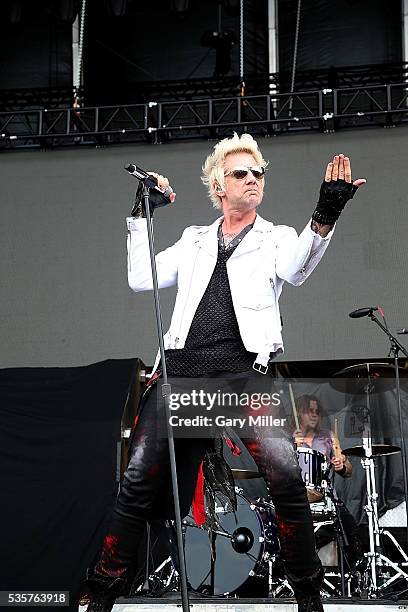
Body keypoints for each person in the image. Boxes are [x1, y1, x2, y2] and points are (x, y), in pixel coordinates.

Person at [82, 133, 366, 612]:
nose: (252, 180)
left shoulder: (275, 237)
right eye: (241, 173)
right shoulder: (194, 239)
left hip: (242, 374)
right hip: (183, 374)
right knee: (135, 483)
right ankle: (101, 590)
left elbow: (298, 270)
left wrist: (326, 213)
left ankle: (308, 594)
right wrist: (141, 214)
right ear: (219, 186)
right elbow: (139, 278)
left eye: (258, 174)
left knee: (286, 478)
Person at [294, 395, 363, 571]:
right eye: (310, 411)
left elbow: (348, 471)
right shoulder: (288, 437)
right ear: (300, 412)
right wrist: (291, 447)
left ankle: (353, 576)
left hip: (325, 499)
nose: (315, 415)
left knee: (350, 529)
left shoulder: (329, 436)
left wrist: (341, 465)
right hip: (294, 498)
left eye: (318, 412)